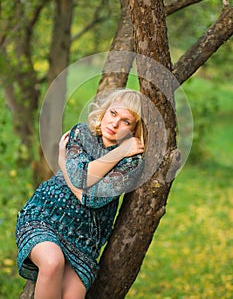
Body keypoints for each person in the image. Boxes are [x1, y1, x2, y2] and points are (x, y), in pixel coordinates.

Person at [16, 89, 145, 299]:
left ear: (135, 130)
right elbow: (80, 180)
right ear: (104, 112)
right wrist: (120, 151)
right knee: (51, 263)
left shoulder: (132, 162)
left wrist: (62, 164)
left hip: (84, 242)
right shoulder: (81, 135)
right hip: (45, 218)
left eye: (126, 121)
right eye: (113, 113)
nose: (114, 124)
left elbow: (91, 199)